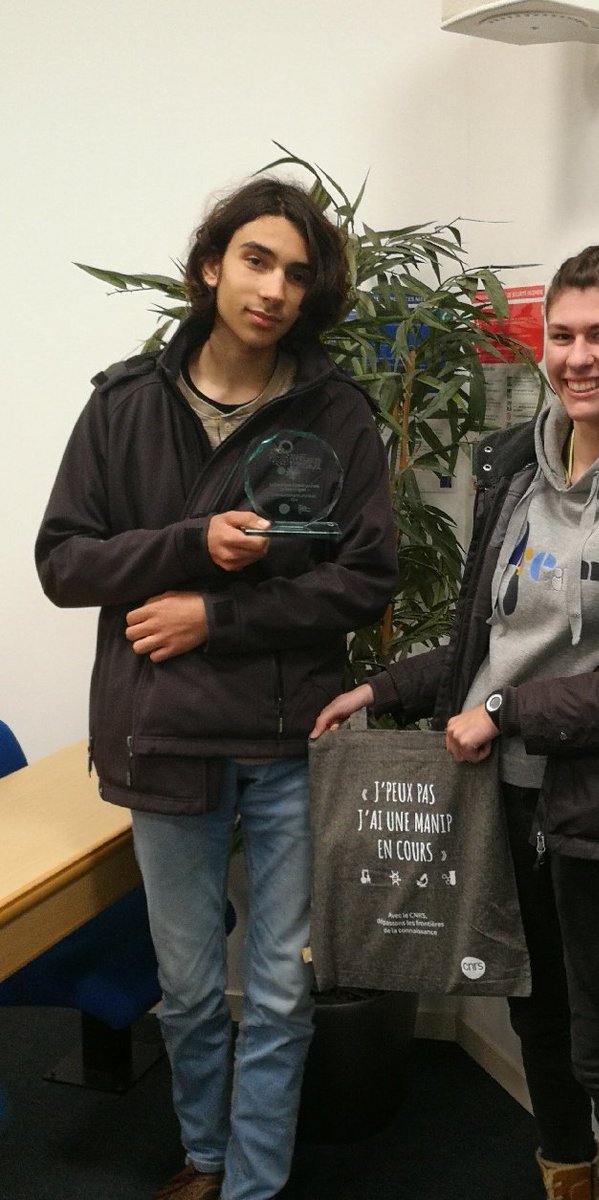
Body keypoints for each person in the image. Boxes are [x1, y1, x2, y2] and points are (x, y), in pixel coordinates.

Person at [311, 244, 599, 1200]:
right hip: (510, 796)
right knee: (534, 1014)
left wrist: (507, 710)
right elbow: (491, 637)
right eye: (561, 335)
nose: (579, 356)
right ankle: (565, 1179)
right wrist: (386, 689)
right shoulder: (517, 465)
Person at [36, 177, 397, 1200]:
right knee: (192, 991)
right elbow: (64, 564)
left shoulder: (337, 412)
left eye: (295, 272)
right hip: (165, 742)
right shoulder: (123, 404)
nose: (274, 288)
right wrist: (191, 546)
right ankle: (202, 1154)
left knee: (279, 992)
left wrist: (215, 615)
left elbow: (367, 577)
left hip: (286, 740)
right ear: (210, 265)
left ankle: (250, 1185)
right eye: (256, 260)